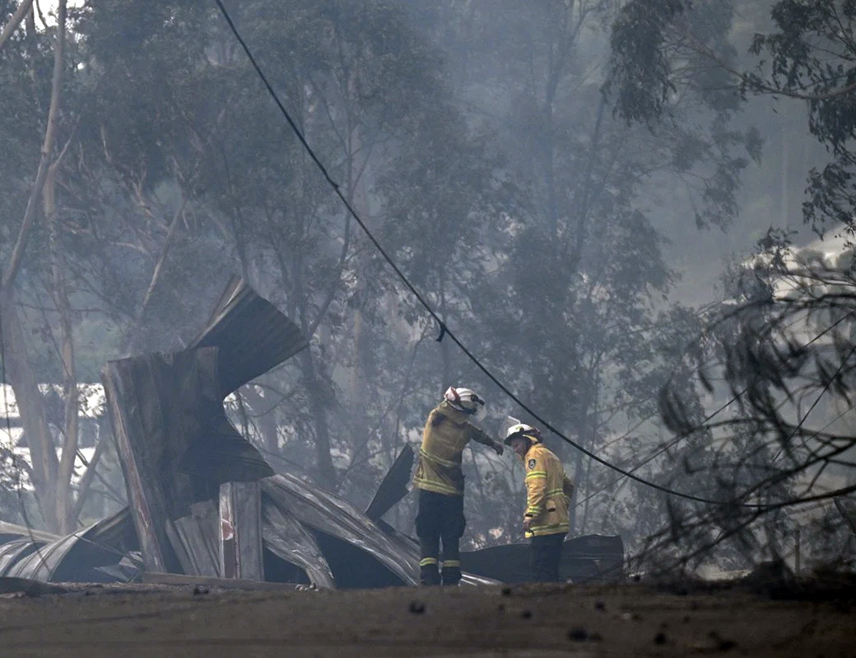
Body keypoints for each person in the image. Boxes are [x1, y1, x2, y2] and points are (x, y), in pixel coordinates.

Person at [413, 386, 504, 586]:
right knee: (450, 538)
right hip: (452, 497)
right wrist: (493, 444)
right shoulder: (463, 432)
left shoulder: (434, 420)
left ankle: (429, 580)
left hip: (429, 493)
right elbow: (476, 432)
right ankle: (451, 580)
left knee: (428, 536)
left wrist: (456, 397)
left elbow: (446, 407)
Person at [504, 422, 574, 583]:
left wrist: (530, 515)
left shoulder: (533, 456)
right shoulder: (550, 455)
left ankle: (542, 604)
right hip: (558, 521)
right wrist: (563, 504)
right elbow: (569, 485)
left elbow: (538, 487)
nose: (515, 449)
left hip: (545, 524)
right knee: (551, 569)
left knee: (539, 569)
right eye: (513, 447)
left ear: (527, 439)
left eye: (517, 444)